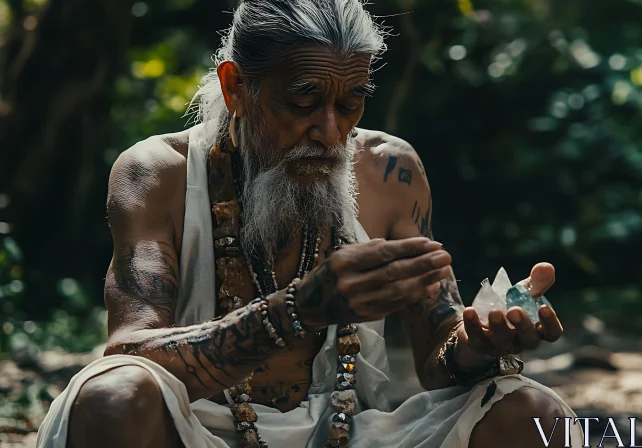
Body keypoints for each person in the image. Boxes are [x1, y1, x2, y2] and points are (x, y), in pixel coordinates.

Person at [37, 1, 584, 447]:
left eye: (352, 103)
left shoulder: (392, 171)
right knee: (115, 395)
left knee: (533, 412)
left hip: (352, 433)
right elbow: (130, 352)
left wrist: (481, 341)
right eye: (303, 99)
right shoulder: (158, 172)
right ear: (235, 87)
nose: (329, 131)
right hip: (194, 430)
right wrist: (300, 311)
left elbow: (439, 360)